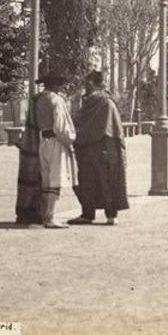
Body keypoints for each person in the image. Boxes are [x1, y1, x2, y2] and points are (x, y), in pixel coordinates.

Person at [68, 70, 129, 226]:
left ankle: (91, 214)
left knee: (95, 180)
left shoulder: (100, 101)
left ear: (94, 83)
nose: (84, 87)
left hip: (98, 146)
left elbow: (83, 123)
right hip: (101, 147)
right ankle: (104, 215)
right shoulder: (105, 101)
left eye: (87, 83)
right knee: (101, 180)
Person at [33, 72, 77, 229]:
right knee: (55, 181)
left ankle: (45, 214)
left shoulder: (38, 100)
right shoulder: (56, 100)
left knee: (46, 180)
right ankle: (50, 217)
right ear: (55, 85)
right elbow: (60, 127)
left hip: (42, 141)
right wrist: (70, 140)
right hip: (55, 142)